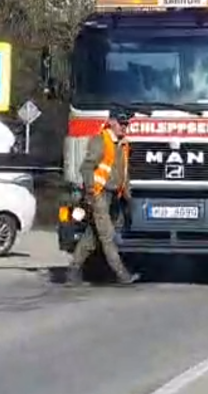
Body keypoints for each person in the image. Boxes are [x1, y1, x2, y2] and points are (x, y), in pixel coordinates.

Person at [67, 108, 140, 287]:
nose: (125, 127)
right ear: (112, 122)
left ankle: (73, 271)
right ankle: (122, 274)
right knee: (107, 236)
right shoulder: (101, 140)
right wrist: (91, 191)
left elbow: (124, 173)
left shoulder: (123, 144)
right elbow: (86, 168)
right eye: (122, 124)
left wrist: (128, 198)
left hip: (113, 196)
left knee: (91, 237)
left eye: (126, 124)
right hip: (99, 195)